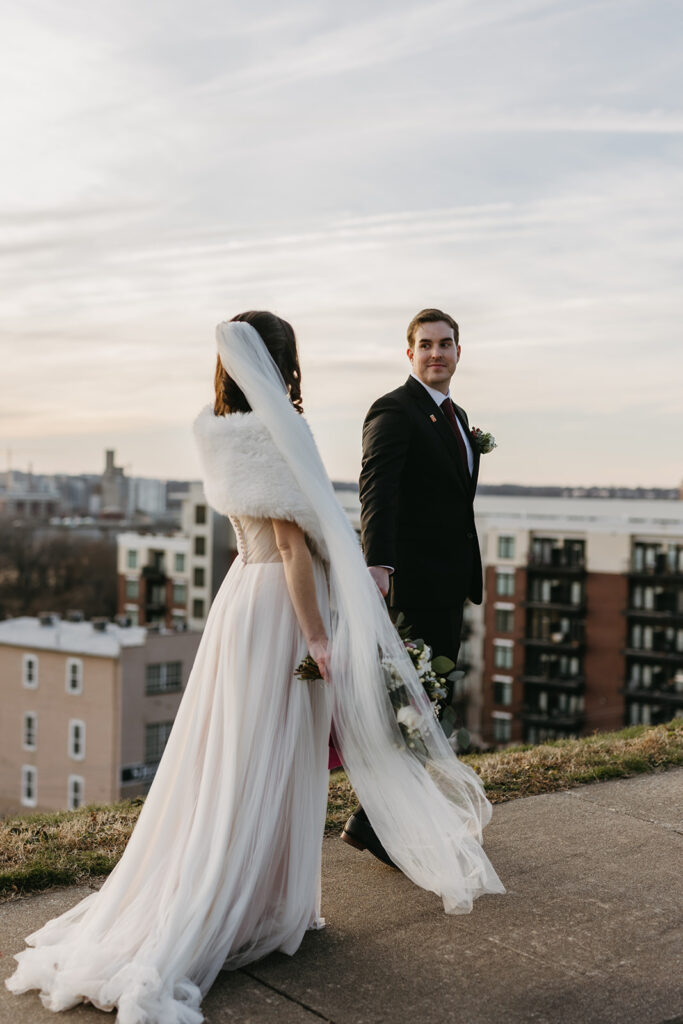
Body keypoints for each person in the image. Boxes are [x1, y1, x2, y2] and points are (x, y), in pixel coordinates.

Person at [6, 312, 503, 1024]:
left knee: (236, 755)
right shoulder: (278, 429)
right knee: (274, 753)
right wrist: (319, 639)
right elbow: (294, 547)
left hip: (239, 598)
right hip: (279, 609)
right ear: (284, 362)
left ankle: (247, 896)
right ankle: (258, 906)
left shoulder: (213, 429)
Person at [343, 308, 484, 863]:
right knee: (412, 708)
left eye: (445, 344)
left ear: (457, 352)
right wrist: (377, 565)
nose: (435, 353)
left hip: (448, 585)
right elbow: (376, 489)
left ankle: (378, 822)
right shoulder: (394, 410)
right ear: (409, 353)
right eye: (424, 345)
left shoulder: (457, 415)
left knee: (429, 705)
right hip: (411, 589)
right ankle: (377, 824)